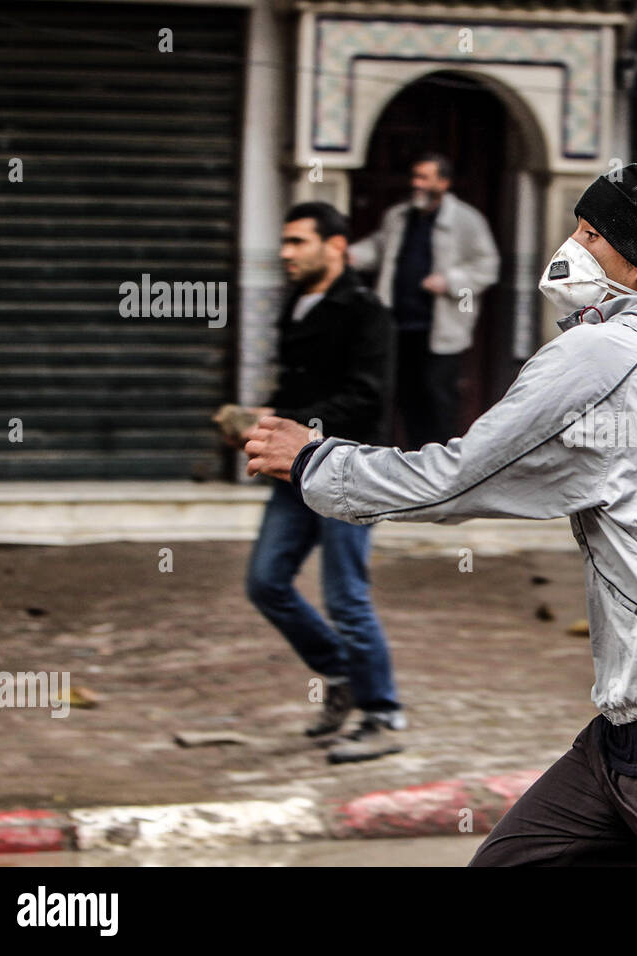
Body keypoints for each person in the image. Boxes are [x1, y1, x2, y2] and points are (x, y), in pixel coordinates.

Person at [245, 158, 637, 867]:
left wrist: (315, 460)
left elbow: (459, 477)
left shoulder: (601, 355)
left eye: (591, 234)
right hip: (634, 719)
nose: (570, 248)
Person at [244, 201, 405, 765]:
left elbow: (367, 398)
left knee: (346, 597)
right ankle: (340, 671)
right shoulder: (297, 303)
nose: (285, 253)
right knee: (266, 581)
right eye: (283, 243)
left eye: (297, 242)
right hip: (292, 470)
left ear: (335, 246)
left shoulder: (367, 313)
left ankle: (381, 714)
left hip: (349, 471)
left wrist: (287, 421)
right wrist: (267, 420)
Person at [349, 153, 500, 449]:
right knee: (401, 397)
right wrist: (348, 255)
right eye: (415, 177)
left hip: (440, 331)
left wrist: (451, 281)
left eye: (424, 178)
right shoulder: (398, 216)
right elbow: (379, 248)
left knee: (437, 399)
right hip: (397, 327)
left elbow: (487, 266)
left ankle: (441, 466)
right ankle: (409, 462)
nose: (416, 184)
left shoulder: (467, 220)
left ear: (443, 182)